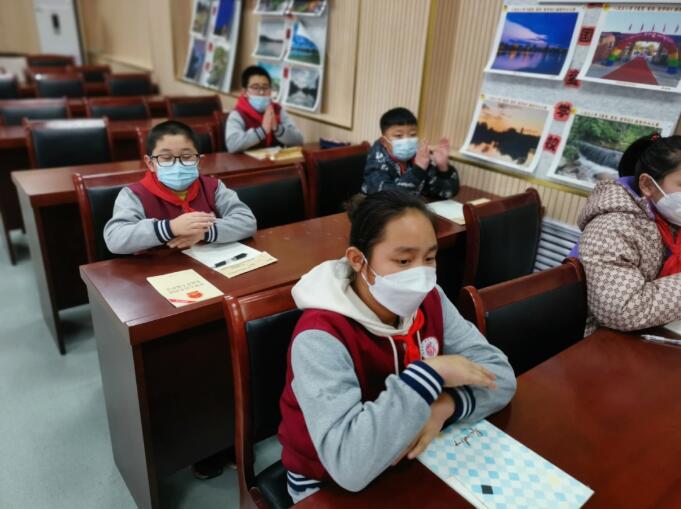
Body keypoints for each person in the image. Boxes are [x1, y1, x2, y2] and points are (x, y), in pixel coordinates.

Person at [278, 190, 516, 502]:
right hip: (327, 481)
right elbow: (349, 465)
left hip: (407, 457)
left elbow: (500, 376)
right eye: (404, 260)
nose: (420, 275)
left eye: (429, 258)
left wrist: (444, 406)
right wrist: (432, 373)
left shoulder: (430, 299)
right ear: (358, 260)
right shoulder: (320, 335)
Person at [104, 120, 256, 255]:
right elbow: (115, 238)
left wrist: (203, 231)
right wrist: (170, 228)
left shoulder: (213, 187)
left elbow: (247, 222)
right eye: (166, 158)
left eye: (186, 156)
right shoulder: (134, 194)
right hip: (158, 270)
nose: (177, 164)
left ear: (199, 160)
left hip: (209, 265)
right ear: (150, 163)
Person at [578, 134, 681, 333]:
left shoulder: (672, 219)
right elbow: (623, 311)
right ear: (647, 185)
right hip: (607, 341)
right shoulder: (611, 228)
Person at [361, 107, 459, 199]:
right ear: (384, 141)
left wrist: (443, 168)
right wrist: (418, 170)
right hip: (379, 209)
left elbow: (447, 193)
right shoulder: (375, 162)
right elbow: (389, 198)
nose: (407, 140)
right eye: (399, 136)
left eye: (412, 134)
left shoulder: (417, 157)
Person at [225, 65, 304, 153]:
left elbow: (299, 140)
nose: (262, 92)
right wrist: (262, 131)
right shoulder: (237, 114)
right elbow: (232, 145)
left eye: (265, 87)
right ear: (245, 92)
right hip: (248, 161)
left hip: (274, 160)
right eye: (255, 87)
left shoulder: (277, 110)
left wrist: (277, 129)